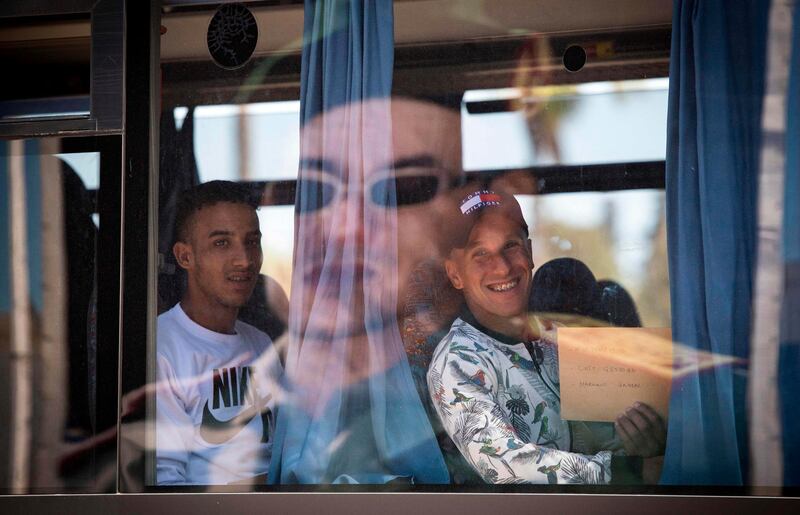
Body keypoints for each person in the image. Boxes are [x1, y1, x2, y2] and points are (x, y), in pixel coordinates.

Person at [270, 97, 466, 484]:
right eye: (317, 191)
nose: (349, 227)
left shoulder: (453, 348)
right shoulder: (301, 373)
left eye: (405, 188)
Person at [427, 189, 665, 484]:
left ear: (528, 252)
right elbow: (504, 464)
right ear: (454, 274)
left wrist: (648, 440)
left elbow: (615, 432)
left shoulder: (563, 335)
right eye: (481, 254)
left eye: (510, 246)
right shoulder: (457, 362)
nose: (502, 267)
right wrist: (627, 472)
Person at [156, 180, 283, 485]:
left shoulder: (262, 342)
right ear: (185, 257)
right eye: (222, 243)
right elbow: (163, 488)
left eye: (252, 241)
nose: (245, 260)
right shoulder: (160, 347)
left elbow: (287, 446)